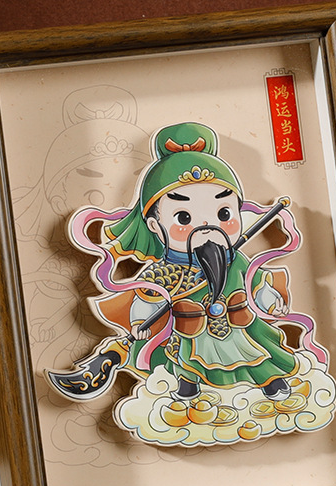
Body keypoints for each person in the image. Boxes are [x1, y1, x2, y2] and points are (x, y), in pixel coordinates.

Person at [99, 122, 300, 401]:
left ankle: (270, 382)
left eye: (224, 213)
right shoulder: (164, 272)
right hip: (192, 332)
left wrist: (271, 302)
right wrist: (142, 322)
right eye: (184, 217)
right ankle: (188, 387)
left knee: (255, 353)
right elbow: (149, 299)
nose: (207, 226)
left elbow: (255, 285)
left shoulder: (236, 261)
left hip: (238, 327)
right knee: (187, 359)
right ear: (155, 226)